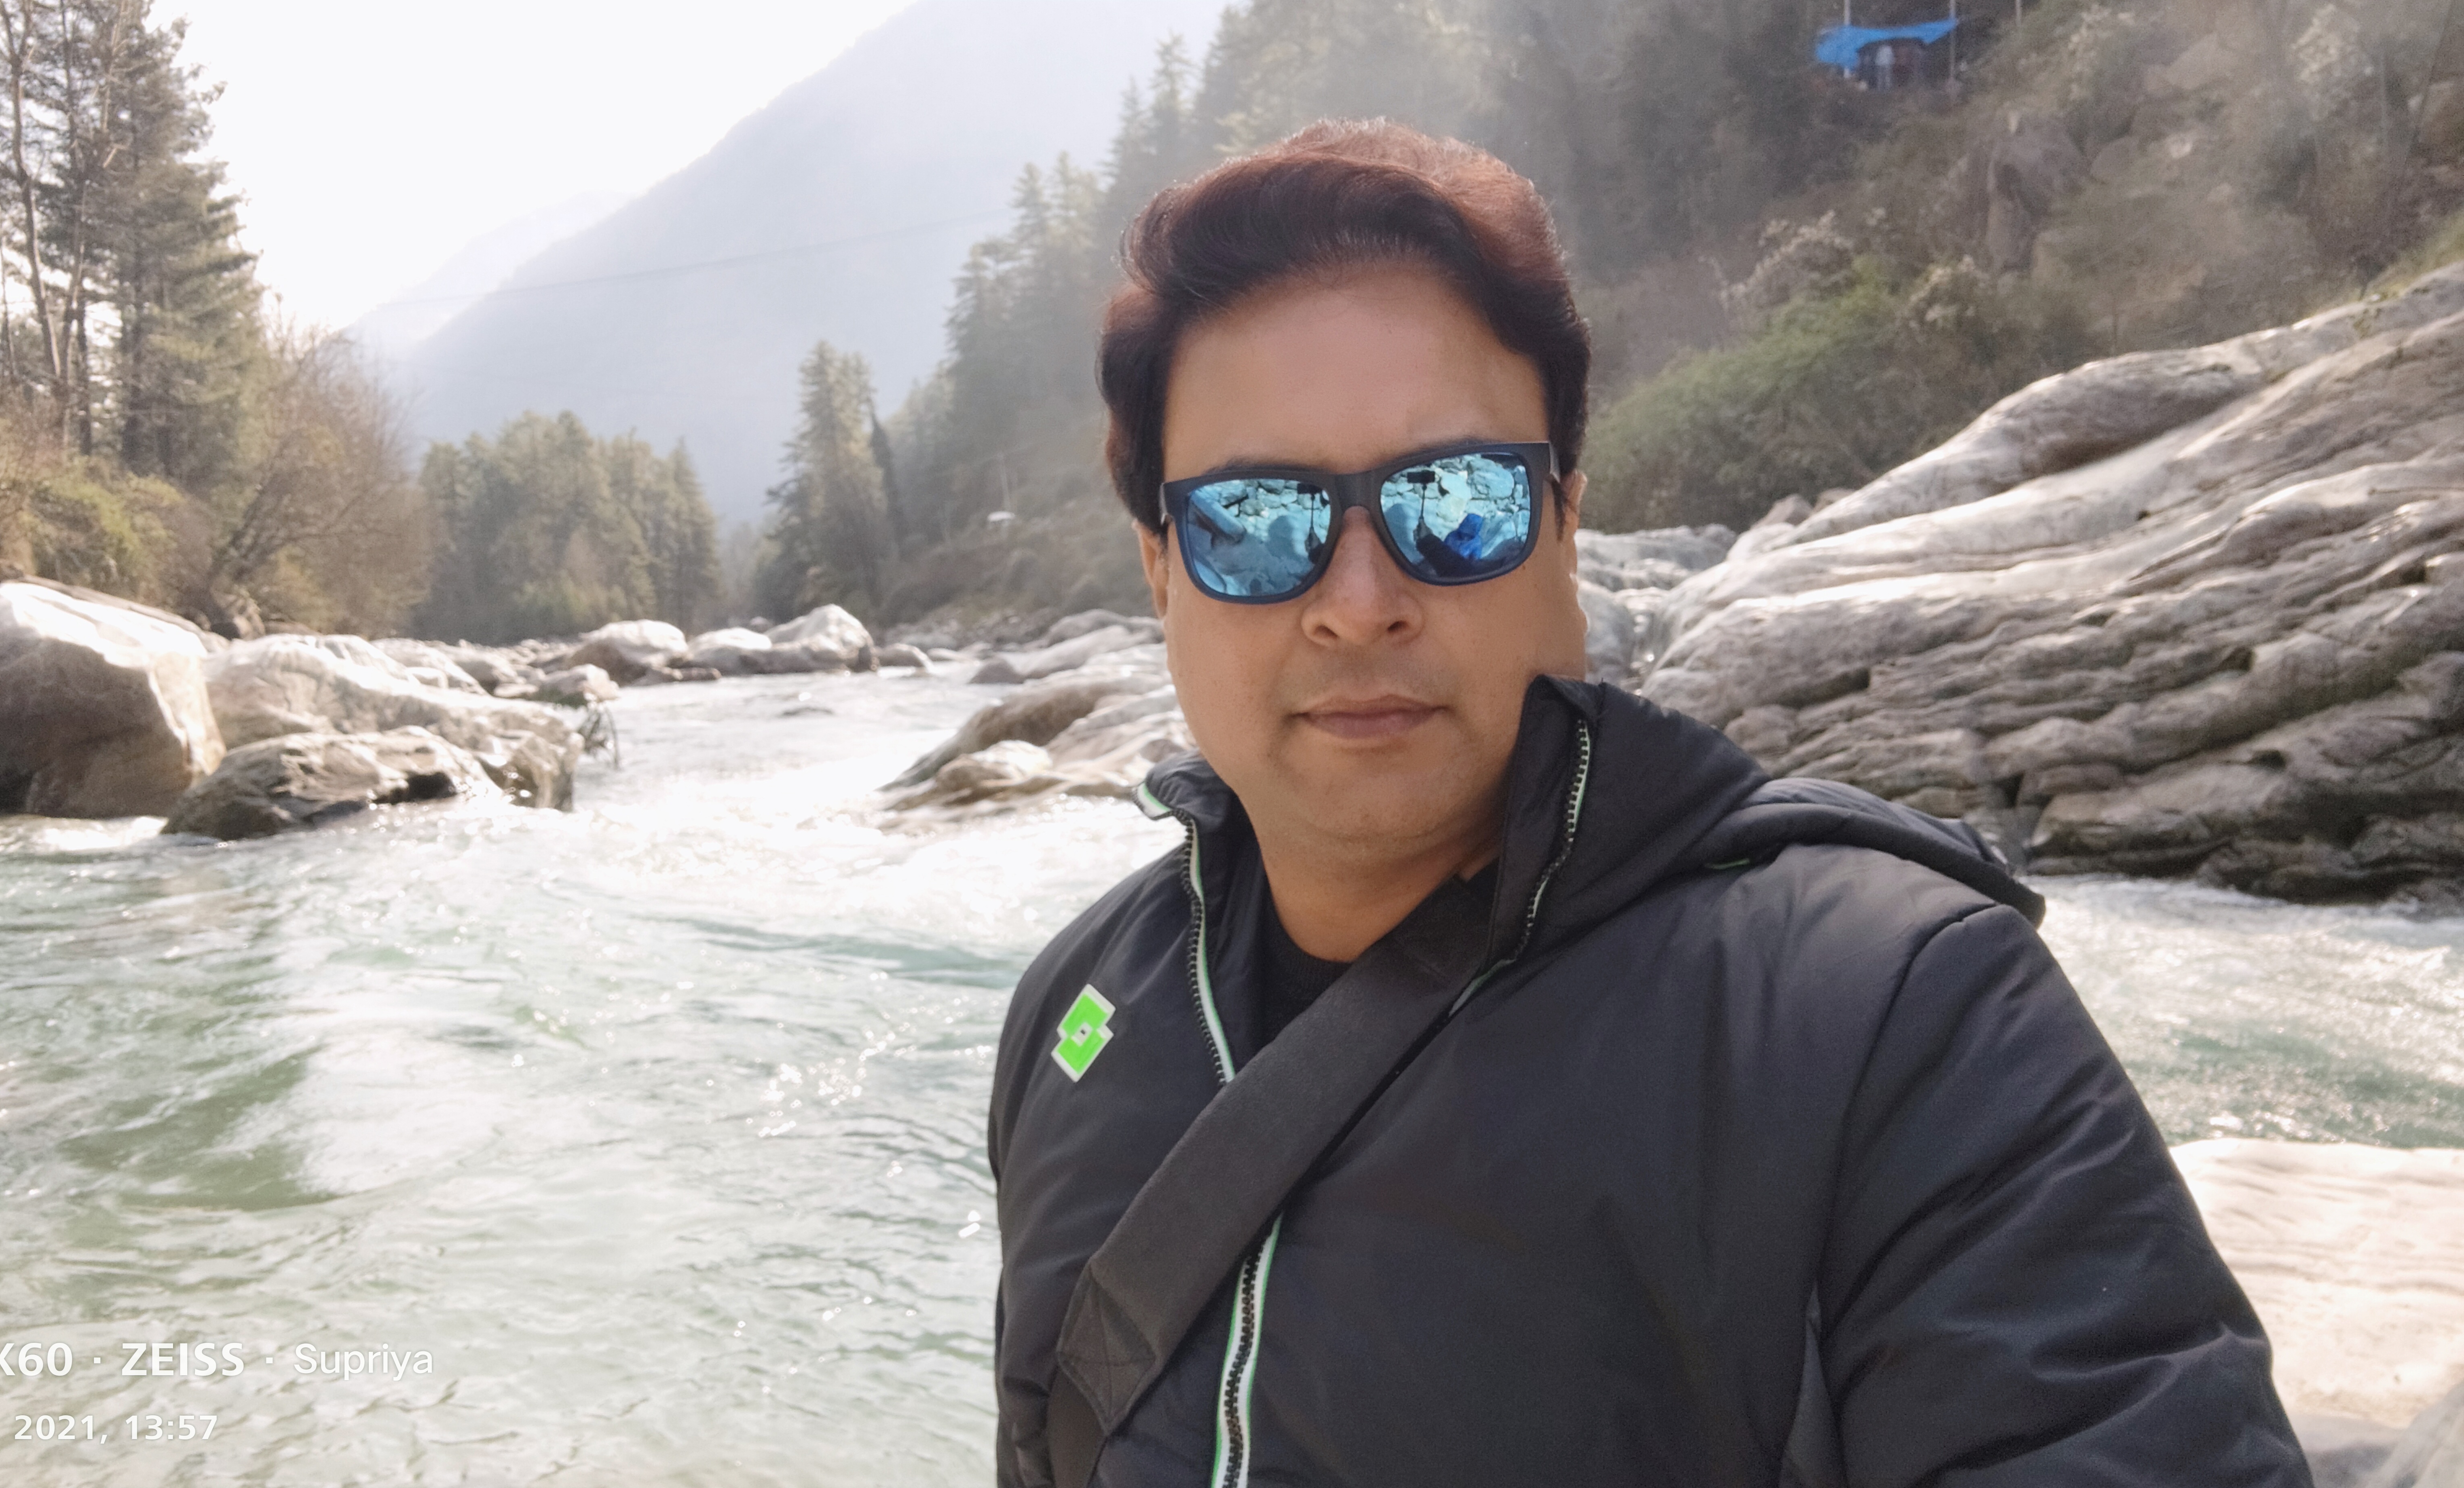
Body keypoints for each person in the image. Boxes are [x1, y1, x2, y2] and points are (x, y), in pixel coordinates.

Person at [986, 120, 2310, 1488]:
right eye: (1258, 522)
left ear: (1564, 525)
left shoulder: (1890, 1018)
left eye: (1455, 503)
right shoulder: (1084, 1009)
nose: (1360, 604)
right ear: (1162, 567)